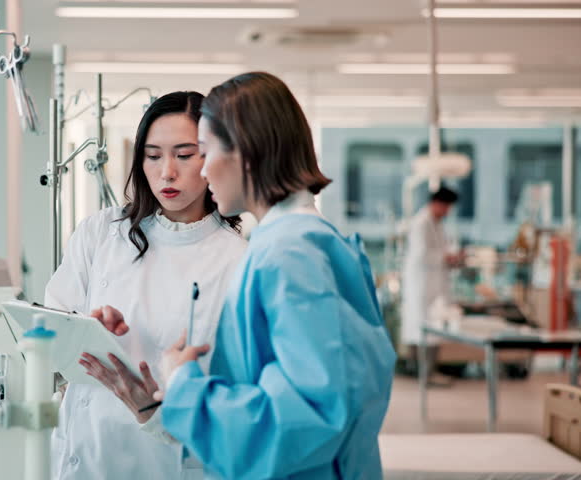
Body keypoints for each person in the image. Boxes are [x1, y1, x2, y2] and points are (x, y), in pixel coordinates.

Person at [135, 72, 396, 479]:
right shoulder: (312, 239)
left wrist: (183, 383)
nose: (202, 173)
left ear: (247, 154)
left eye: (204, 151)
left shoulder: (288, 253)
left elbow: (307, 418)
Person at [43, 91, 247, 480]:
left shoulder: (236, 260)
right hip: (86, 449)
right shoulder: (101, 233)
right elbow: (47, 340)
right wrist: (86, 328)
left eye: (184, 155)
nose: (167, 172)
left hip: (167, 457)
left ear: (213, 157)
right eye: (153, 156)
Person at [400, 186, 463, 371]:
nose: (447, 212)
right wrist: (446, 257)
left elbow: (439, 251)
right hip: (422, 284)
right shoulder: (421, 223)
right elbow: (421, 255)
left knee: (433, 326)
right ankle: (422, 371)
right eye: (446, 207)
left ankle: (429, 371)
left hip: (433, 283)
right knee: (421, 327)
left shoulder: (436, 223)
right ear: (436, 203)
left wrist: (450, 258)